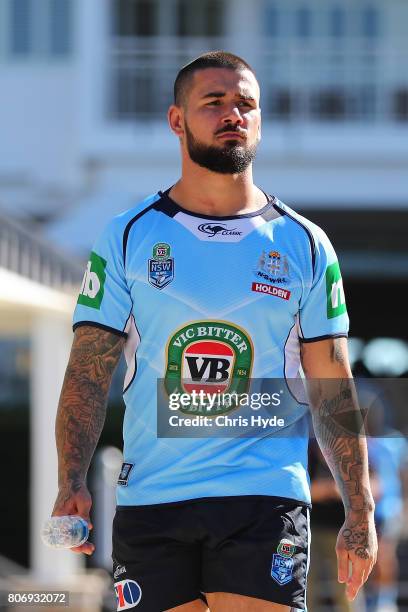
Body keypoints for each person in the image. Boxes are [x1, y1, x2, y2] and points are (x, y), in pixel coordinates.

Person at [51, 51, 377, 612]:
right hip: (153, 498)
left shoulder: (304, 243)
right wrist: (70, 478)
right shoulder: (127, 236)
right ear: (177, 120)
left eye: (246, 104)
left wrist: (361, 509)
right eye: (214, 102)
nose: (234, 114)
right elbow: (87, 370)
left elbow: (333, 383)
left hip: (264, 496)